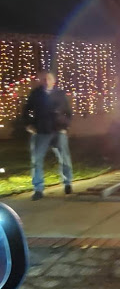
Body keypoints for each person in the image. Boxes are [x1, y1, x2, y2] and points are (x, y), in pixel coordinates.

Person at [22, 71, 73, 201]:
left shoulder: (60, 94)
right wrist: (28, 125)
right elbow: (26, 110)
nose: (46, 81)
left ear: (53, 81)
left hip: (58, 131)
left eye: (49, 79)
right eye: (44, 79)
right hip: (41, 131)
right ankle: (38, 189)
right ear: (41, 81)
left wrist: (65, 127)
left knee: (65, 159)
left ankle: (68, 183)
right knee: (37, 161)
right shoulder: (36, 94)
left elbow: (68, 112)